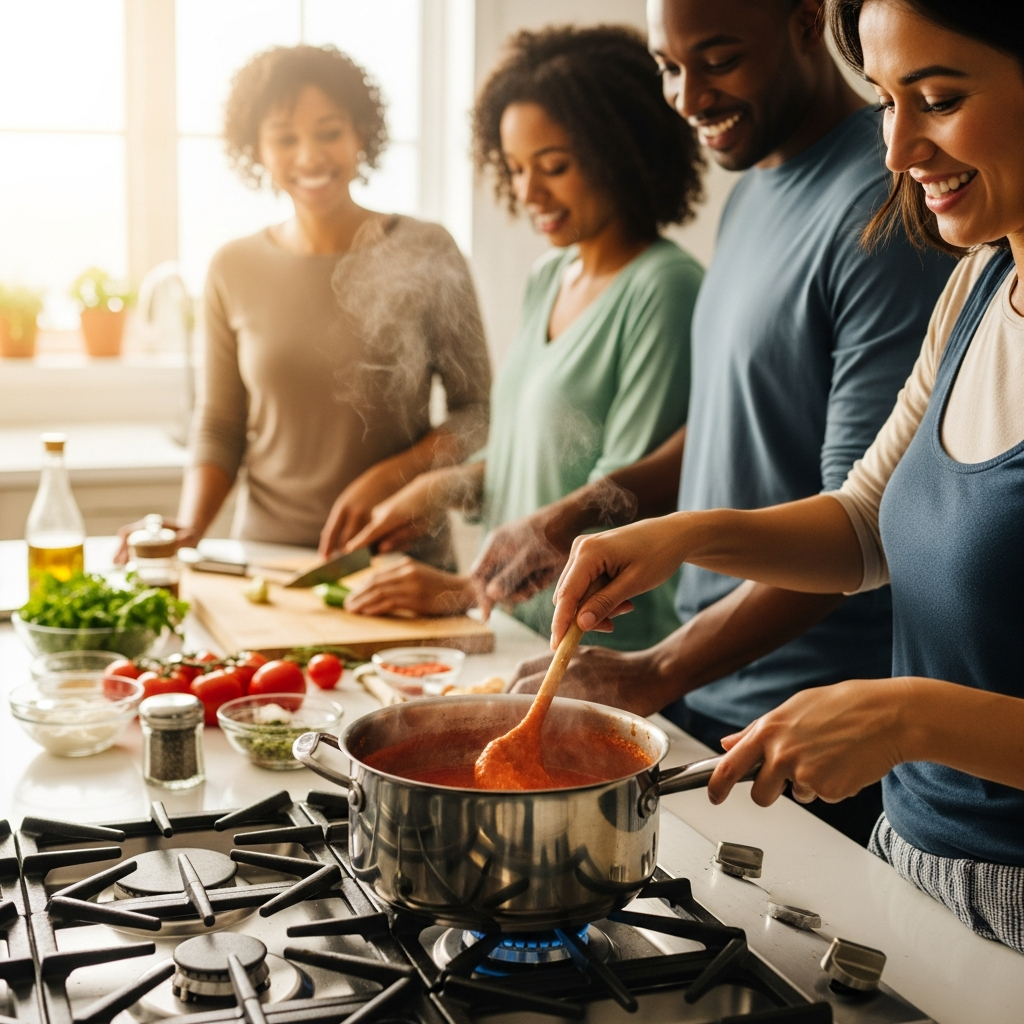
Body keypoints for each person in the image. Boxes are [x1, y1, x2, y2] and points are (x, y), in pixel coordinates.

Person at [549, 0, 1024, 953]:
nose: (896, 151)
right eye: (887, 100)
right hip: (910, 866)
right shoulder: (976, 286)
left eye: (935, 98)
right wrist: (680, 534)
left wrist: (906, 714)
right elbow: (864, 522)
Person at [486, 0, 954, 845]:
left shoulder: (890, 209)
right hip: (714, 693)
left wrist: (658, 667)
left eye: (718, 57)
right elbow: (740, 418)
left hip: (810, 731)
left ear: (808, 23)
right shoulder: (754, 192)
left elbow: (863, 514)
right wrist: (587, 509)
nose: (688, 94)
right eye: (670, 66)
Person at [337, 26, 705, 651]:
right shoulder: (550, 276)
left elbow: (618, 498)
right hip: (514, 630)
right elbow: (533, 458)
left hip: (596, 646)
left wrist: (458, 590)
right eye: (516, 169)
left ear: (622, 151)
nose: (530, 194)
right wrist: (438, 487)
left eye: (554, 167)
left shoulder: (664, 287)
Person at [118, 45, 490, 564]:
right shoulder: (233, 266)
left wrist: (388, 478)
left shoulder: (426, 249)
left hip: (399, 560)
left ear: (361, 133)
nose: (309, 156)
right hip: (268, 562)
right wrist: (189, 527)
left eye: (329, 132)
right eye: (285, 138)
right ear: (258, 150)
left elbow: (476, 412)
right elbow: (221, 426)